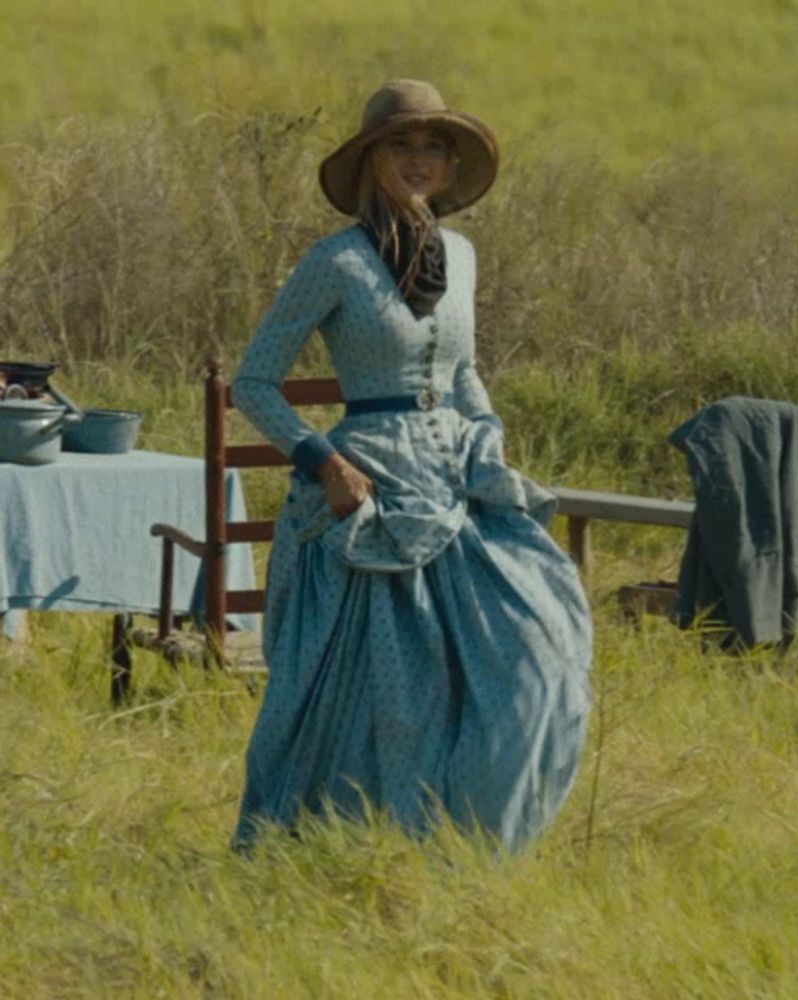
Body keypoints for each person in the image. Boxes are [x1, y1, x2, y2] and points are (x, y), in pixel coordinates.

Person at [230, 79, 592, 853]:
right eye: (402, 144)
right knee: (390, 696)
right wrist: (323, 461)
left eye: (435, 145)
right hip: (369, 497)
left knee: (537, 654)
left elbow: (462, 373)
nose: (420, 159)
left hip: (457, 479)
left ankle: (473, 846)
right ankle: (358, 848)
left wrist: (485, 438)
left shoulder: (459, 257)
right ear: (371, 160)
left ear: (452, 163)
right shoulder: (335, 262)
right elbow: (253, 381)